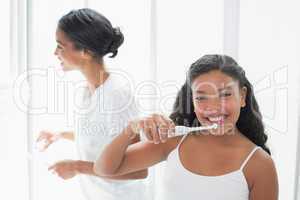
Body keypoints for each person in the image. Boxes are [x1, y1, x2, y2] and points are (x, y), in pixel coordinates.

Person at [94, 54, 279, 200]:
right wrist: (132, 127)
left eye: (225, 94)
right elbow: (104, 169)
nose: (213, 108)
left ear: (243, 96)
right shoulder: (174, 141)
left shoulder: (259, 165)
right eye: (201, 97)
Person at [36, 8, 148, 200]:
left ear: (85, 52)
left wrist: (77, 167)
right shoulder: (86, 90)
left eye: (60, 46)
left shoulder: (116, 95)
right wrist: (60, 135)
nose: (55, 52)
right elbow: (101, 136)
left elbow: (139, 170)